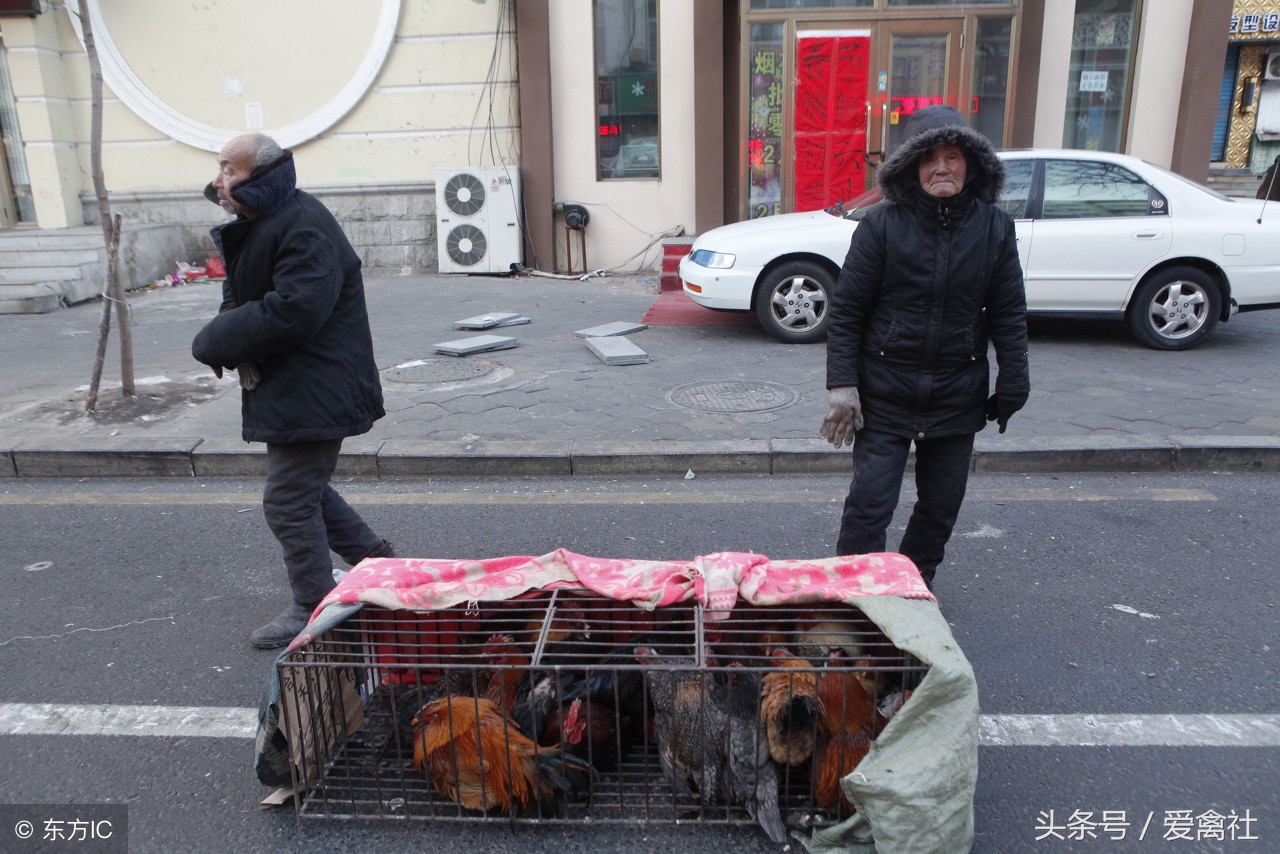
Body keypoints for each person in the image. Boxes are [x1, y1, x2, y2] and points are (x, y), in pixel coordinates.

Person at [192, 133, 395, 649]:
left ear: (259, 175)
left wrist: (217, 339)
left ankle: (312, 606)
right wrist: (224, 337)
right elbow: (238, 297)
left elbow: (295, 309)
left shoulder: (301, 224)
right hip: (296, 385)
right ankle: (383, 567)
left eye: (227, 169)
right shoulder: (262, 221)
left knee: (288, 499)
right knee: (305, 490)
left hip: (320, 384)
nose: (219, 180)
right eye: (219, 169)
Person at [819, 105, 1029, 592]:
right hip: (885, 393)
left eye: (952, 156)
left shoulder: (995, 228)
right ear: (911, 168)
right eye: (929, 158)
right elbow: (847, 311)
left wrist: (1015, 379)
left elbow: (1008, 312)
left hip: (958, 393)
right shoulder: (880, 226)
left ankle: (913, 586)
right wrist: (842, 387)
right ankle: (858, 595)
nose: (941, 167)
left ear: (971, 163)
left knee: (940, 506)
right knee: (870, 504)